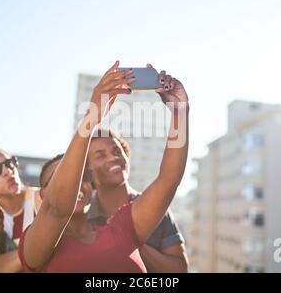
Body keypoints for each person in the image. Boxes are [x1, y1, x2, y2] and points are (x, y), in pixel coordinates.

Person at [17, 60, 189, 272]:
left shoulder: (121, 228)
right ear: (42, 196)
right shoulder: (35, 246)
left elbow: (168, 181)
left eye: (81, 177)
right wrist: (92, 118)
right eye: (59, 180)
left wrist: (180, 112)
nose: (75, 185)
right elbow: (57, 209)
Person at [86, 127, 189, 273]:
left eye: (117, 151)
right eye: (100, 156)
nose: (113, 157)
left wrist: (133, 241)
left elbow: (180, 270)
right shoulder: (80, 216)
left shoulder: (157, 209)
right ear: (87, 170)